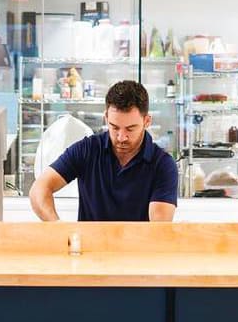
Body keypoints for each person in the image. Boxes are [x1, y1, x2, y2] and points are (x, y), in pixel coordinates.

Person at [29, 80, 178, 221]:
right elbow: (39, 189)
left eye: (130, 129)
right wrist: (57, 226)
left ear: (146, 121)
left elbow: (159, 226)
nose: (121, 137)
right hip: (88, 247)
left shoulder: (163, 165)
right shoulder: (87, 150)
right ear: (106, 118)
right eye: (114, 127)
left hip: (138, 247)